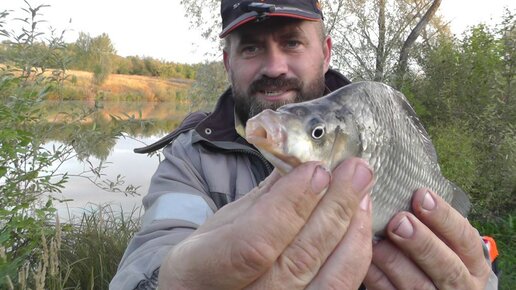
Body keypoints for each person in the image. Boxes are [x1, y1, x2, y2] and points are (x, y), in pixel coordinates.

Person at [111, 1, 498, 289]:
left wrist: (478, 279)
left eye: (292, 42)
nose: (274, 66)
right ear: (227, 62)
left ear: (326, 52)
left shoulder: (377, 127)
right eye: (251, 47)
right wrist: (170, 281)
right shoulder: (190, 159)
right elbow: (150, 254)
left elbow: (467, 257)